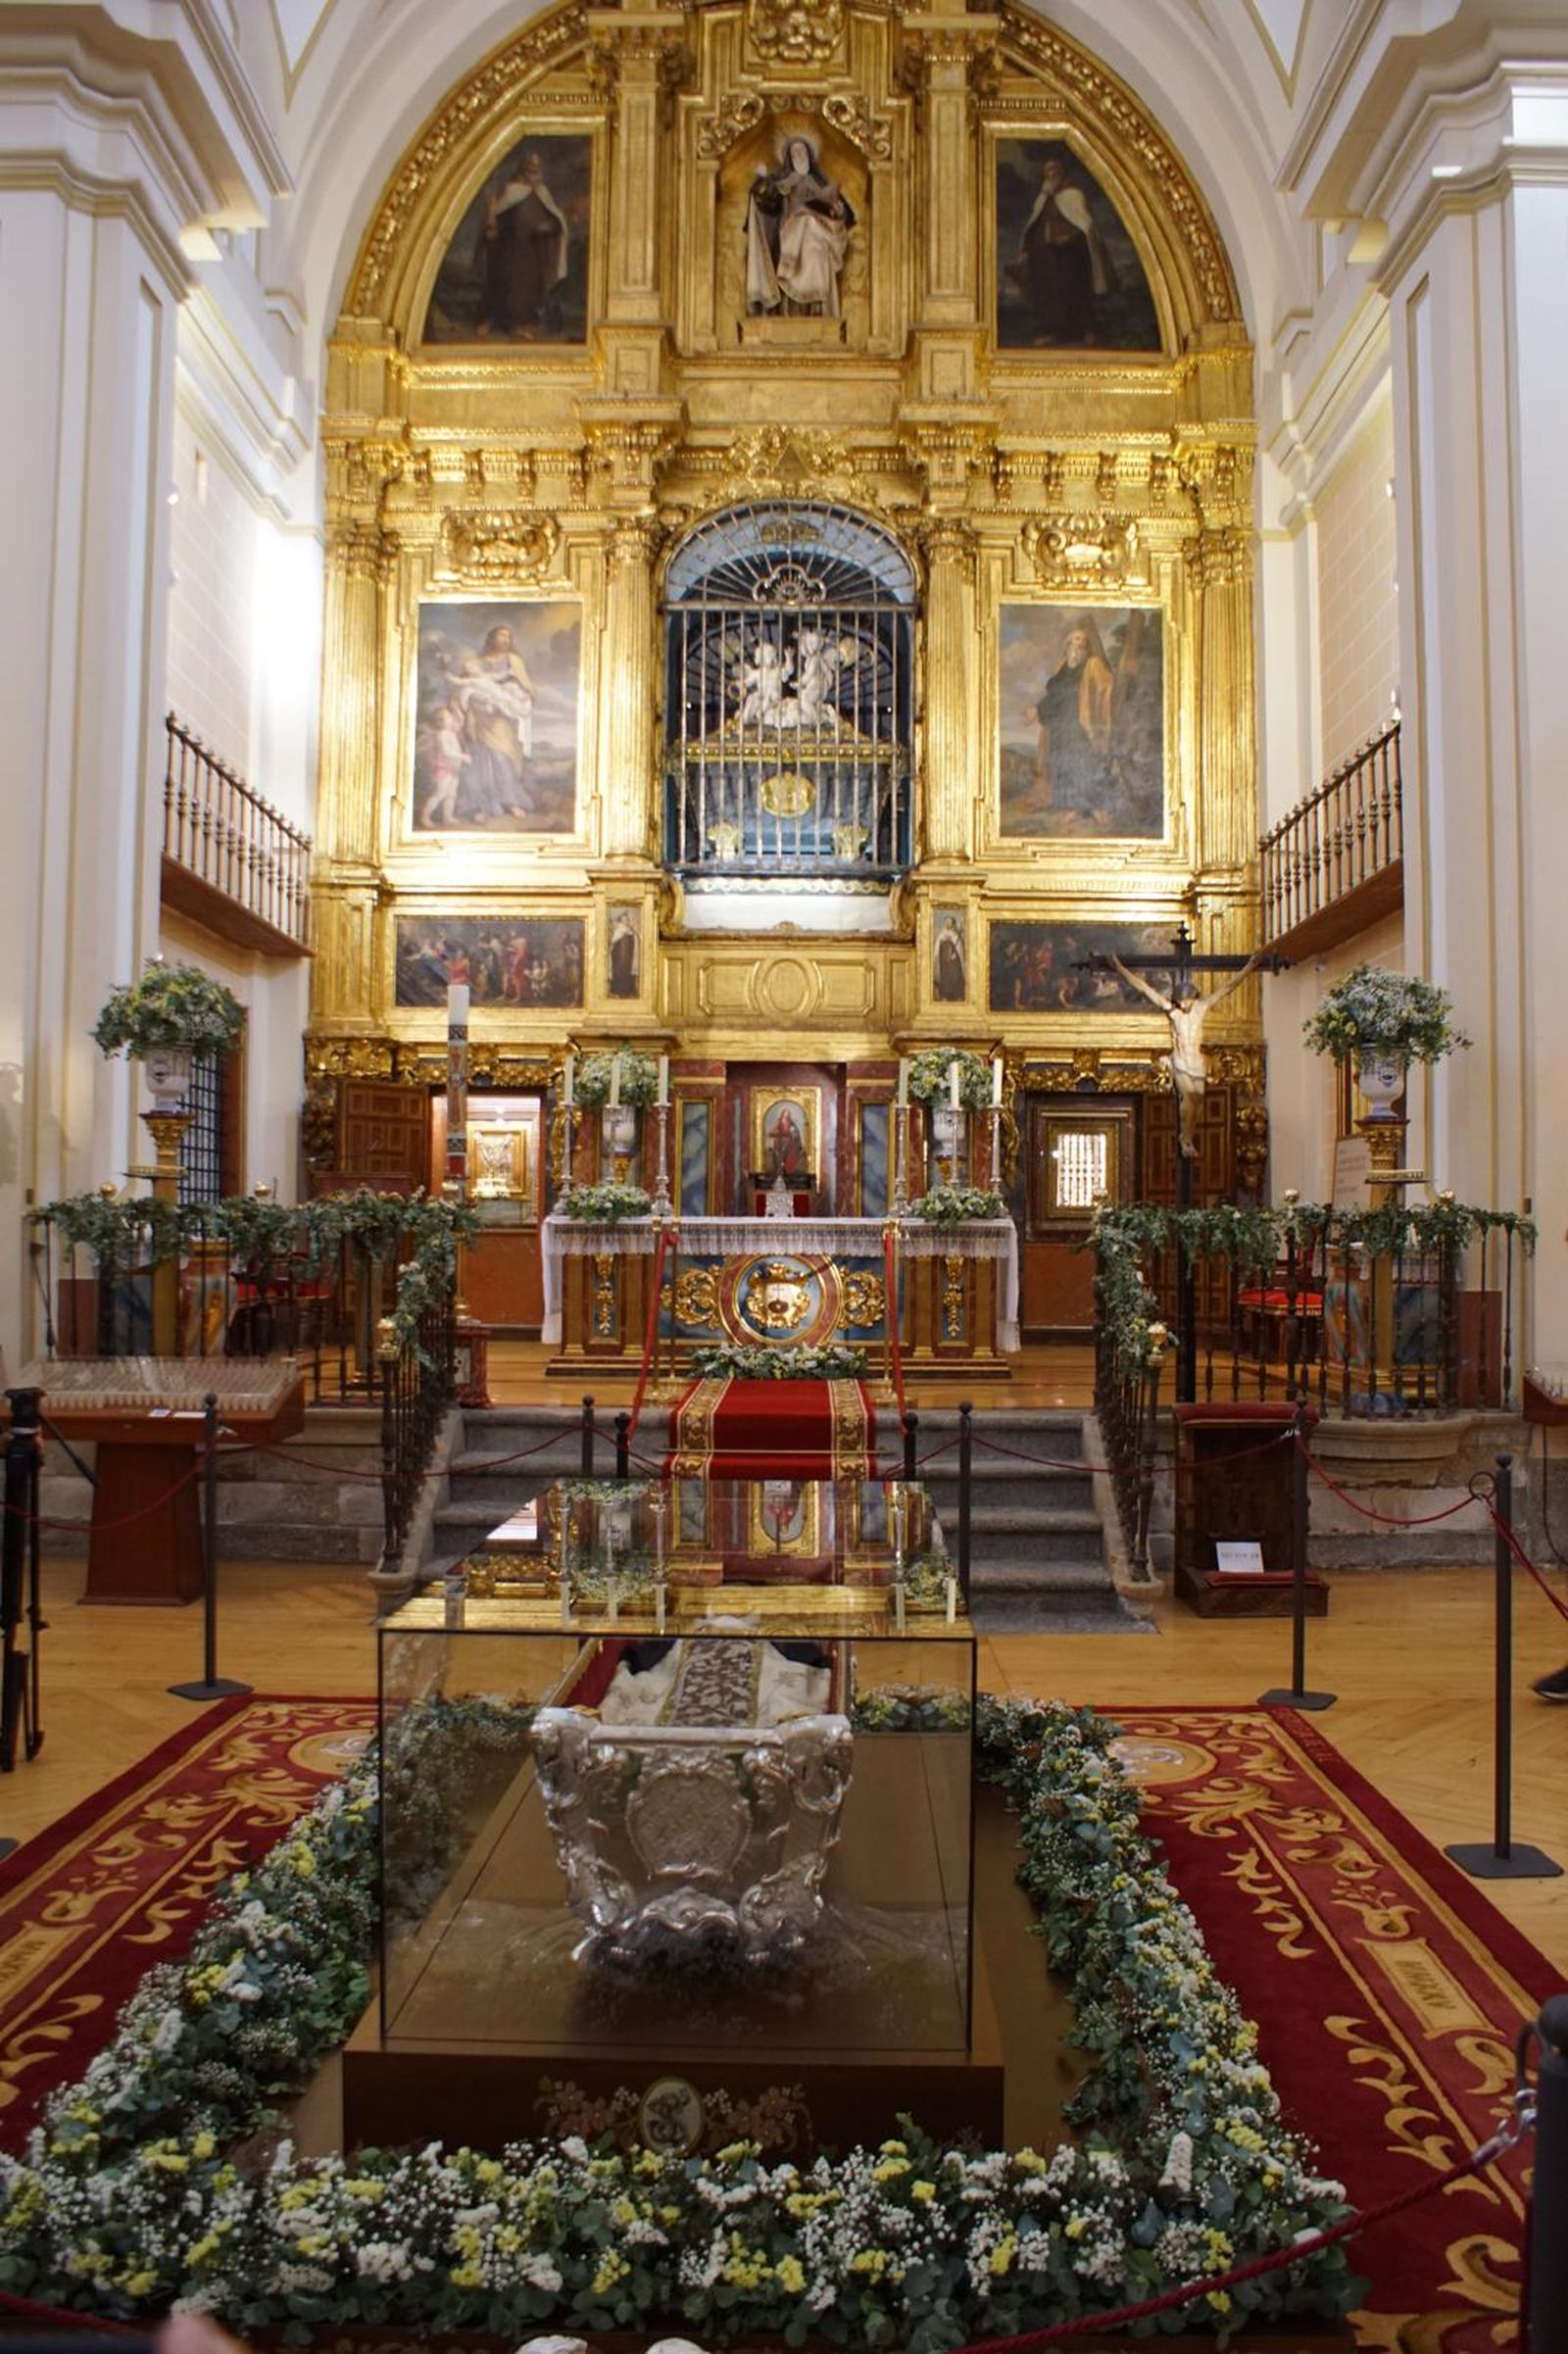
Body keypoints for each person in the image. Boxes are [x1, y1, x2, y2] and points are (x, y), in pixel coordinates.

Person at [1107, 951, 1260, 1157]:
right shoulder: (1172, 1012)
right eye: (1182, 1000)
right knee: (1189, 1096)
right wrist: (1119, 968)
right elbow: (1144, 989)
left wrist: (1249, 968)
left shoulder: (1202, 1008)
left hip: (1196, 1062)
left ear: (1193, 998)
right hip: (1180, 1060)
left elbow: (1228, 988)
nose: (1185, 1003)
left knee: (1198, 1098)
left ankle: (1188, 1135)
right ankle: (1185, 1139)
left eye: (1187, 1000)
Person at [746, 137, 855, 319]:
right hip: (787, 236)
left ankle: (817, 310)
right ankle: (790, 313)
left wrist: (839, 210)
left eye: (803, 151)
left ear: (809, 156)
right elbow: (765, 202)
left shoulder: (819, 183)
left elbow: (842, 215)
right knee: (804, 224)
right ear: (789, 158)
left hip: (817, 238)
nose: (799, 155)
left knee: (816, 250)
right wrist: (764, 180)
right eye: (795, 152)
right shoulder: (782, 182)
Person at [1013, 154, 1115, 346]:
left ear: (1061, 173)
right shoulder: (1041, 199)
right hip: (1046, 257)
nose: (1050, 175)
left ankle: (1089, 330)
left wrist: (1069, 238)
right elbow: (1033, 226)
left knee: (1076, 290)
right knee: (1049, 294)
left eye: (1054, 171)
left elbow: (1086, 226)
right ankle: (1053, 332)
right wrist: (1027, 250)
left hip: (1072, 255)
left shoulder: (1073, 195)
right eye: (1047, 172)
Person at [478, 152, 569, 338]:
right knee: (507, 285)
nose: (533, 175)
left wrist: (549, 227)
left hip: (534, 252)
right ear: (523, 170)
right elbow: (499, 219)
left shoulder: (542, 193)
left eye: (536, 171)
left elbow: (556, 221)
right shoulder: (511, 191)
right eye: (530, 170)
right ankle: (504, 323)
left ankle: (525, 323)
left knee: (530, 288)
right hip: (511, 249)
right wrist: (494, 227)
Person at [449, 624, 534, 819]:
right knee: (480, 758)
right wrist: (462, 706)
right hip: (479, 716)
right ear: (491, 638)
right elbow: (462, 687)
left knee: (502, 757)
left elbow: (525, 684)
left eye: (508, 636)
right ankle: (482, 805)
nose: (505, 639)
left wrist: (522, 695)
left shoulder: (513, 660)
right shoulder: (475, 662)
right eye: (501, 635)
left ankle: (510, 801)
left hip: (502, 718)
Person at [1035, 620, 1114, 819]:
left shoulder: (1093, 664)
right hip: (1061, 725)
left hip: (1081, 723)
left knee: (1087, 763)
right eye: (1072, 643)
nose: (1075, 648)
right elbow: (1052, 693)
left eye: (1080, 644)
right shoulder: (1061, 667)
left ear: (1086, 648)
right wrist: (1038, 710)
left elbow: (1107, 686)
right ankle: (1075, 807)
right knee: (1065, 765)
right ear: (1067, 645)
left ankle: (1097, 806)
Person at [416, 700, 469, 827]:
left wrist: (456, 709)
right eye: (449, 717)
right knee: (440, 793)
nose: (452, 719)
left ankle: (448, 817)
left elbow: (460, 721)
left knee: (451, 794)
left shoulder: (451, 732)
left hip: (453, 769)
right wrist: (462, 756)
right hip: (443, 768)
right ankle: (424, 816)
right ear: (441, 721)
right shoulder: (442, 735)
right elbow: (446, 751)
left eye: (451, 717)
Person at [934, 914, 966, 1003]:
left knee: (955, 976)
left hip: (954, 962)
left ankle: (957, 995)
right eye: (947, 921)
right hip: (944, 962)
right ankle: (945, 996)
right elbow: (937, 948)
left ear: (952, 923)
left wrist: (956, 954)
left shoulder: (955, 934)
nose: (948, 923)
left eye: (950, 922)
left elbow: (959, 947)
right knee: (945, 978)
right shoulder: (941, 934)